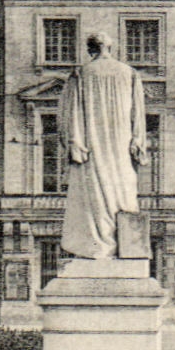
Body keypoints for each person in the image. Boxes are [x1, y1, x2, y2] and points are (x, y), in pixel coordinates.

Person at [58, 31, 148, 260]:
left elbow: (69, 115)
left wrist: (74, 141)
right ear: (110, 47)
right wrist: (138, 141)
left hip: (92, 146)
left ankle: (96, 246)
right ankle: (122, 246)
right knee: (123, 190)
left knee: (94, 194)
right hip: (121, 146)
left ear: (90, 50)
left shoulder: (80, 74)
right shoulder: (129, 73)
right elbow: (139, 114)